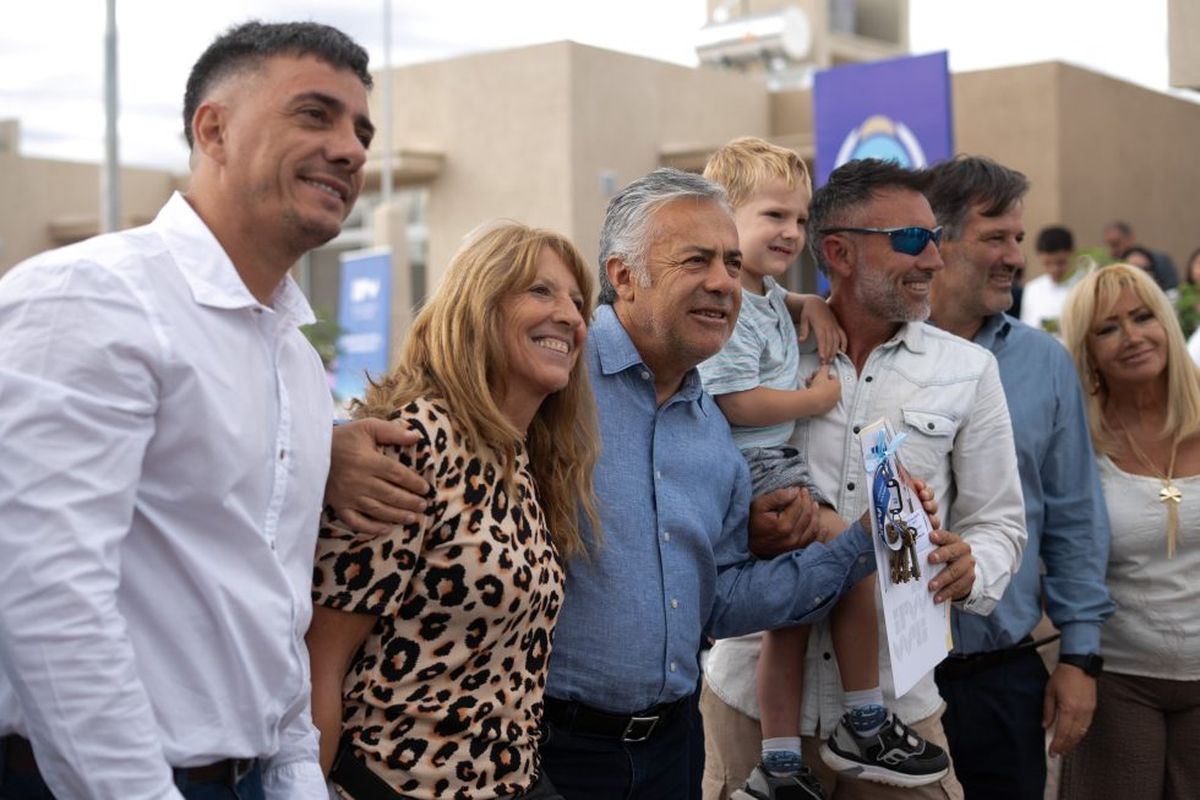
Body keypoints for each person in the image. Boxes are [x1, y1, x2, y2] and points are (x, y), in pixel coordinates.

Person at [326, 167, 978, 800]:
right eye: (697, 261)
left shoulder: (715, 436)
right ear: (623, 277)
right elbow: (422, 419)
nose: (725, 284)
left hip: (672, 750)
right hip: (525, 755)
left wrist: (864, 541)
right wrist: (330, 448)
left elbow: (721, 601)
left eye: (730, 262)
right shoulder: (548, 375)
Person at [0, 21, 374, 799]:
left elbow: (272, 615)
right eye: (316, 115)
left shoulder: (298, 364)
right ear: (214, 129)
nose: (351, 149)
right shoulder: (92, 298)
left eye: (361, 130)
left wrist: (296, 776)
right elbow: (45, 595)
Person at [701, 158, 1026, 800]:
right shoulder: (752, 350)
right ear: (839, 252)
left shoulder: (970, 370)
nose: (933, 259)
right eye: (911, 239)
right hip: (748, 710)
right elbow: (682, 491)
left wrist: (971, 566)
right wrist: (741, 529)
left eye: (933, 238)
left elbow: (1000, 524)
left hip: (899, 710)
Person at [307, 222, 598, 800]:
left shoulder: (521, 458)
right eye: (541, 291)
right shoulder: (415, 448)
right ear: (480, 308)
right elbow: (322, 665)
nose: (570, 315)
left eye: (576, 300)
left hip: (514, 783)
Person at [924, 155, 1115, 800]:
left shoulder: (1043, 363)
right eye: (994, 237)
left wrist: (1080, 658)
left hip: (1003, 676)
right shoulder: (866, 351)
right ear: (937, 241)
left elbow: (1072, 517)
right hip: (883, 682)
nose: (1014, 257)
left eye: (1019, 240)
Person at [1058, 263, 1200, 800]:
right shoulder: (1077, 441)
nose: (1133, 336)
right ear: (1087, 350)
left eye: (1143, 317)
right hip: (1117, 680)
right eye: (1108, 327)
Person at [1019, 225, 1080, 334]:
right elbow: (1027, 329)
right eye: (1047, 263)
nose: (1054, 269)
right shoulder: (1032, 289)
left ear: (1072, 253)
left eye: (1061, 262)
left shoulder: (1085, 286)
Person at [1102, 219, 1180, 292]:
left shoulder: (1161, 261)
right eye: (1109, 245)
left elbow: (1172, 290)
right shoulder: (1109, 267)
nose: (1113, 250)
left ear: (1130, 239)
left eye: (1116, 243)